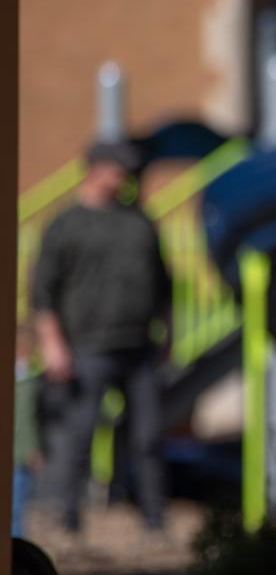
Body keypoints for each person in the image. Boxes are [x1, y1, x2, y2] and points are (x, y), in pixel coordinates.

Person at [31, 140, 170, 536]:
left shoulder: (139, 220)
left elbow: (164, 283)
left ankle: (154, 520)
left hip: (140, 345)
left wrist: (168, 332)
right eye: (116, 167)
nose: (123, 175)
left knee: (147, 437)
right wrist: (53, 343)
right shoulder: (66, 224)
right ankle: (69, 518)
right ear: (94, 169)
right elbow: (44, 290)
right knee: (80, 435)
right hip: (86, 347)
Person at [13, 322, 43, 539]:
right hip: (19, 455)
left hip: (19, 455)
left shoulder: (30, 380)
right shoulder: (28, 382)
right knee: (15, 505)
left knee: (17, 505)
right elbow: (26, 421)